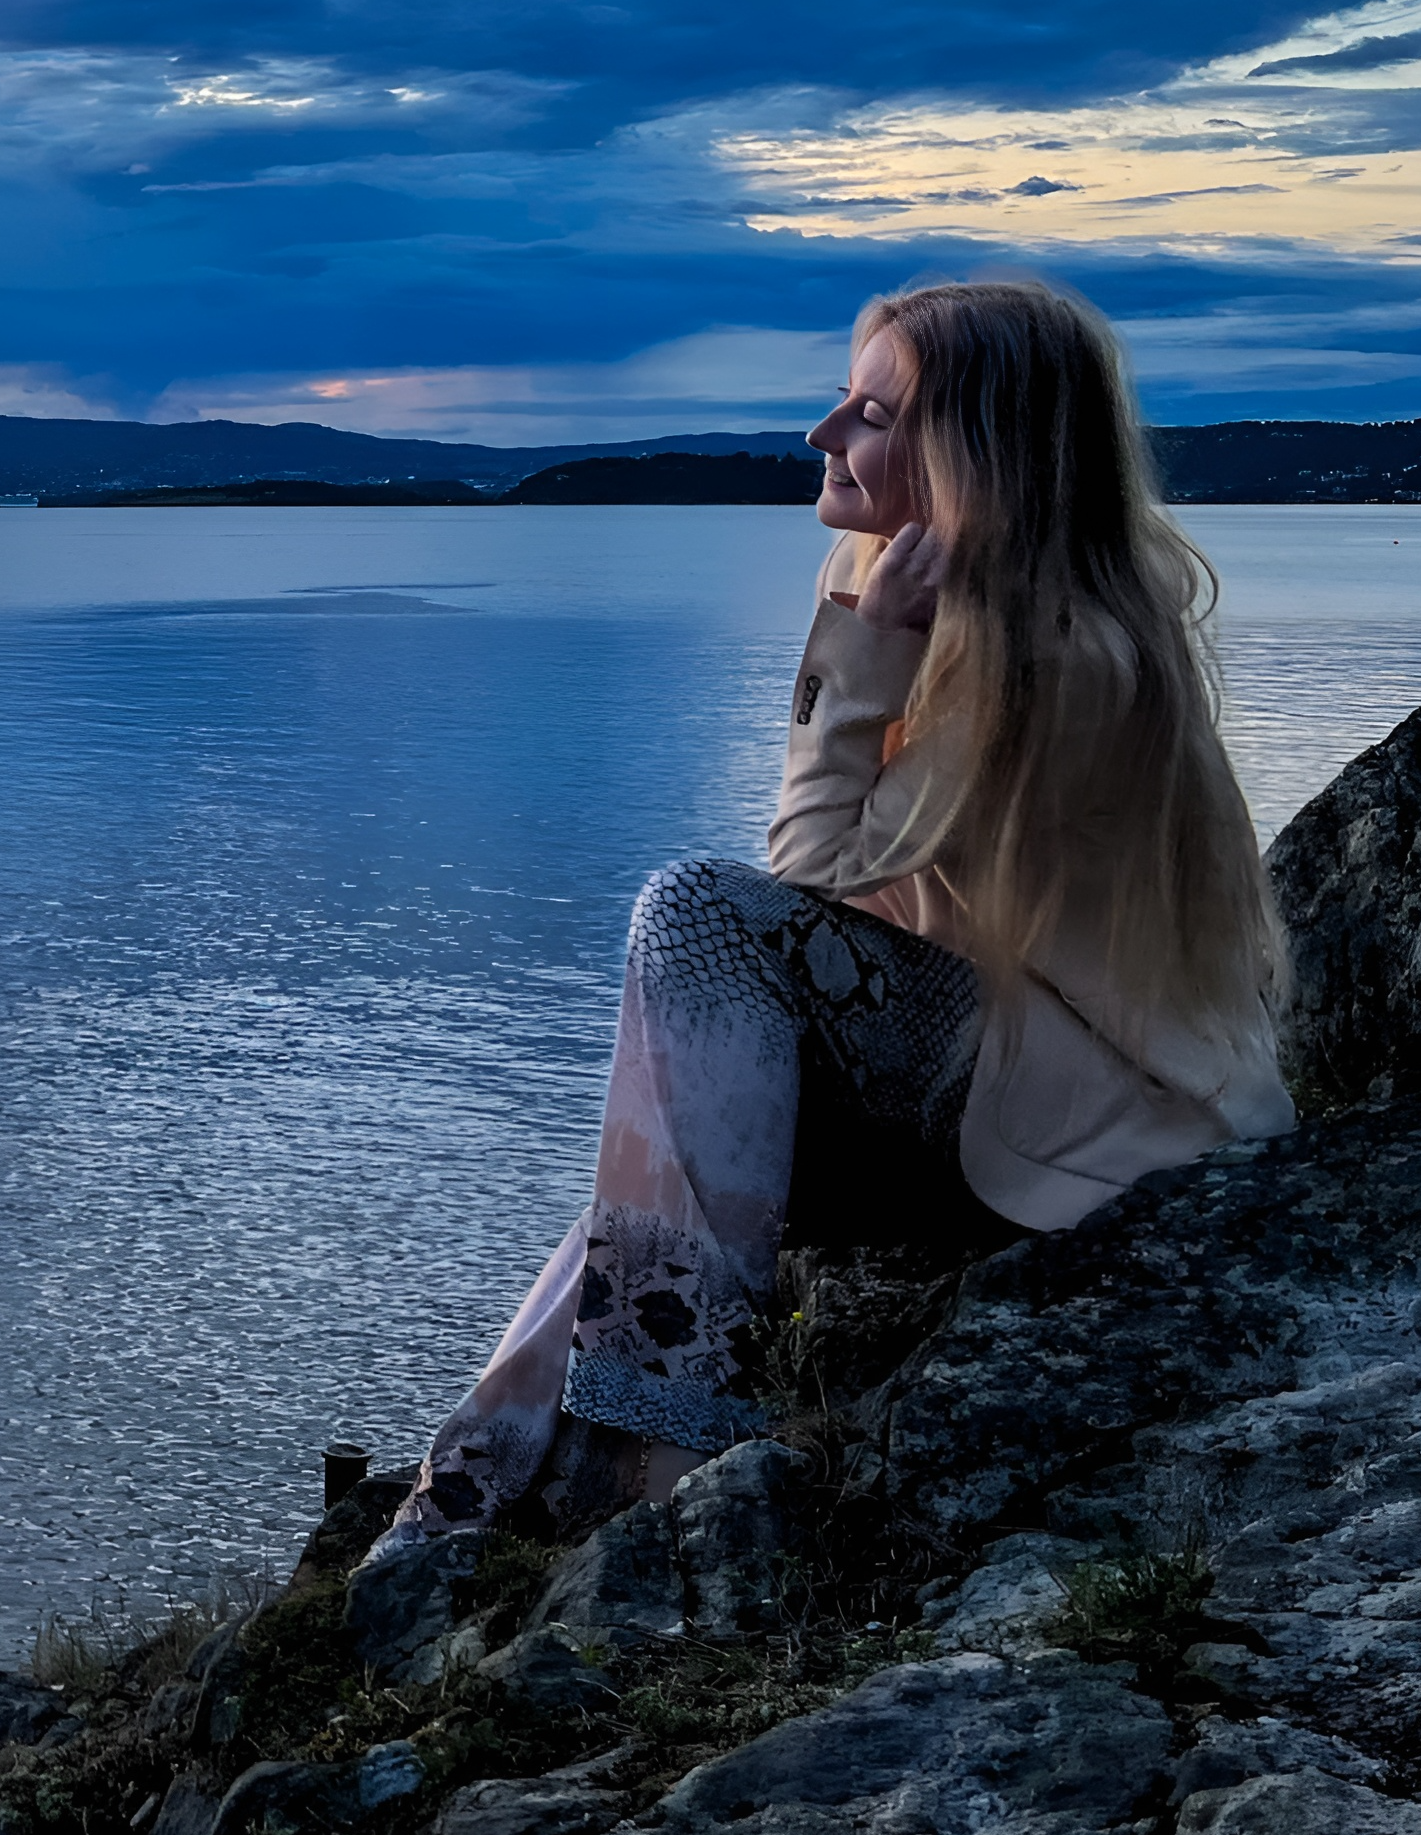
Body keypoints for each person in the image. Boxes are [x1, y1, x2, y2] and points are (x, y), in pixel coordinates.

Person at [369, 275, 1292, 1570]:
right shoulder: (952, 623)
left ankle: (642, 1451)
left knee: (697, 915)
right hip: (990, 1079)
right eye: (842, 402)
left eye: (873, 412)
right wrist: (875, 645)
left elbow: (807, 879)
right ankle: (463, 1503)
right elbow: (847, 901)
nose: (822, 434)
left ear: (976, 453)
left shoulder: (1065, 660)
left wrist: (862, 659)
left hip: (1092, 1129)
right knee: (658, 1169)